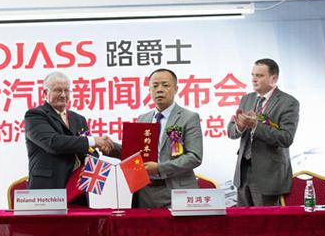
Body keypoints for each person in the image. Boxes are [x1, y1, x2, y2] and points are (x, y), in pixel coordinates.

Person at [24, 71, 117, 190]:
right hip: (48, 189)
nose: (63, 95)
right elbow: (53, 143)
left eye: (67, 90)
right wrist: (94, 141)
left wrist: (92, 155)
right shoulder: (35, 115)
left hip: (78, 188)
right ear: (45, 93)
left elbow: (89, 149)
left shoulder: (79, 119)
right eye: (58, 90)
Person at [227, 58, 299, 206]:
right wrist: (239, 126)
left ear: (274, 78)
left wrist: (256, 126)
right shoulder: (246, 99)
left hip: (269, 175)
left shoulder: (288, 102)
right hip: (243, 172)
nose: (254, 79)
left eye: (259, 76)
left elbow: (286, 138)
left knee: (265, 220)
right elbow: (232, 132)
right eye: (253, 75)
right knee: (242, 219)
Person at [134, 68, 203, 208]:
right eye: (155, 86)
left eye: (165, 85)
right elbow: (136, 152)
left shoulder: (189, 117)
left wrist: (159, 168)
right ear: (149, 90)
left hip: (176, 190)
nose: (159, 90)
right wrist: (111, 147)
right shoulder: (142, 119)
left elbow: (194, 157)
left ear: (176, 89)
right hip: (146, 192)